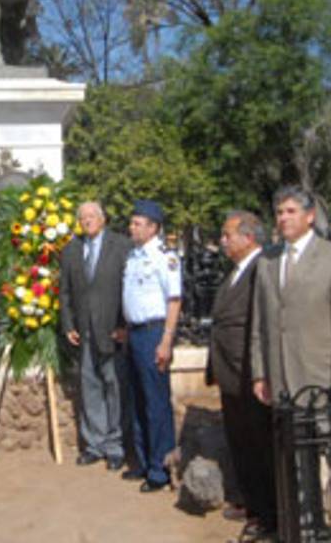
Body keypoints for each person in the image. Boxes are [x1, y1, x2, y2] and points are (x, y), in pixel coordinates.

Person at [252, 185, 331, 537]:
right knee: (299, 468)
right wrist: (261, 373)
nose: (283, 218)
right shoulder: (268, 262)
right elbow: (261, 325)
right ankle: (309, 531)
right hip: (284, 382)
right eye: (279, 212)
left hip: (324, 381)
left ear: (309, 216)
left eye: (290, 211)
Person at [206, 210, 276, 539]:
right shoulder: (236, 271)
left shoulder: (262, 269)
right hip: (230, 371)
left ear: (248, 238)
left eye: (227, 234)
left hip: (250, 372)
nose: (222, 240)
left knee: (260, 445)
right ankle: (252, 502)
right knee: (241, 443)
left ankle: (267, 514)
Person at [59, 201, 133, 471]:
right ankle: (94, 444)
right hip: (84, 332)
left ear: (103, 219)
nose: (87, 221)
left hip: (112, 330)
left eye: (92, 216)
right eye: (82, 217)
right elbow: (64, 292)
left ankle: (115, 446)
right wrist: (68, 324)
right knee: (89, 387)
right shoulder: (71, 250)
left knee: (114, 387)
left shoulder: (121, 246)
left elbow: (130, 287)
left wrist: (124, 324)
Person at [121, 199, 181, 493]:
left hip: (154, 333)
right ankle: (144, 462)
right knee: (138, 401)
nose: (132, 227)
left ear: (153, 227)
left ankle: (161, 469)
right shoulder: (133, 255)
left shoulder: (164, 257)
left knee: (156, 402)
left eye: (138, 223)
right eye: (132, 222)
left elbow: (174, 300)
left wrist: (166, 340)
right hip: (133, 334)